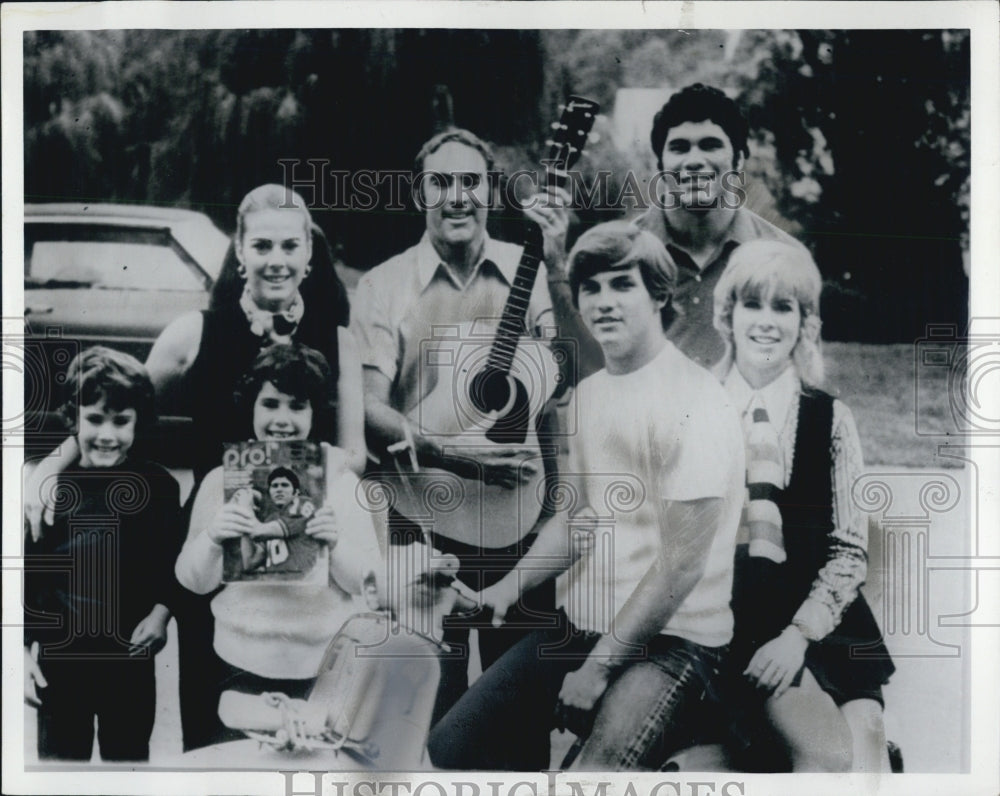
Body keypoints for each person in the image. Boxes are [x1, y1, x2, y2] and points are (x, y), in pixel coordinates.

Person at [426, 221, 745, 771]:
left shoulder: (700, 401)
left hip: (678, 642)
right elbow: (578, 519)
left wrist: (597, 668)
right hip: (583, 622)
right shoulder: (588, 395)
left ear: (660, 295)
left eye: (623, 285)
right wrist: (506, 588)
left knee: (591, 779)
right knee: (452, 748)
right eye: (590, 289)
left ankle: (698, 751)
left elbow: (682, 563)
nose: (604, 302)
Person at [351, 128, 597, 722]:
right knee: (427, 705)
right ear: (419, 194)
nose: (456, 197)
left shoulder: (530, 269)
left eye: (471, 182)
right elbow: (367, 408)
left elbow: (573, 375)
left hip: (522, 513)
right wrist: (458, 457)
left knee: (518, 711)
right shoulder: (382, 285)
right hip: (421, 516)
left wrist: (559, 261)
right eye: (441, 183)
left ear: (492, 191)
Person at [711, 239, 895, 772]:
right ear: (728, 315)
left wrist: (799, 634)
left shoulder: (829, 417)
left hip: (824, 623)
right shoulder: (700, 407)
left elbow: (848, 551)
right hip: (740, 624)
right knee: (820, 758)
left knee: (868, 753)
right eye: (753, 304)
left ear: (804, 322)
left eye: (783, 307)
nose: (767, 322)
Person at [174, 343, 383, 745]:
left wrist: (334, 544)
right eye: (269, 403)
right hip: (236, 666)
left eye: (297, 406)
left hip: (319, 670)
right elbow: (191, 580)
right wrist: (214, 537)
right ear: (250, 406)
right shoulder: (221, 480)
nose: (282, 419)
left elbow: (370, 585)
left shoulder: (341, 483)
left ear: (314, 412)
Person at [23, 347, 181, 761]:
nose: (107, 434)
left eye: (121, 421)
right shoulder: (52, 489)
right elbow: (32, 574)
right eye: (94, 419)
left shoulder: (159, 486)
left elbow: (171, 562)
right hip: (60, 659)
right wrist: (22, 652)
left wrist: (161, 615)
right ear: (73, 420)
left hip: (129, 656)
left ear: (138, 422)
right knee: (60, 765)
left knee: (126, 762)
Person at [635, 83, 809, 368]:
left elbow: (802, 374)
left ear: (739, 159)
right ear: (660, 165)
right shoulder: (624, 254)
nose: (693, 161)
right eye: (679, 148)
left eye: (710, 145)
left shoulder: (786, 258)